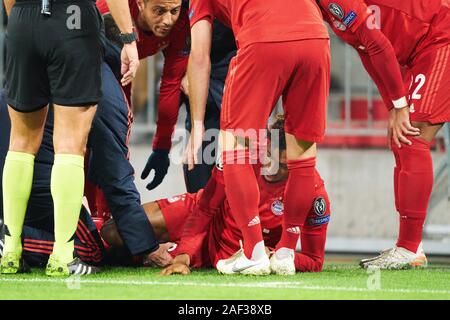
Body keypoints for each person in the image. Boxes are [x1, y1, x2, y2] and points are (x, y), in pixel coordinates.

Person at [184, 0, 330, 275]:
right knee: (302, 150)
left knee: (236, 143)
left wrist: (198, 123)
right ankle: (286, 252)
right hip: (316, 38)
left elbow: (200, 55)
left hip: (263, 38)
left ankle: (253, 251)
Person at [0, 0, 140, 276]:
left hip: (22, 20)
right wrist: (128, 38)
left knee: (20, 142)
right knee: (70, 144)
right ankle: (63, 255)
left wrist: (22, 20)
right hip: (73, 19)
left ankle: (10, 251)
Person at [101, 116, 332, 274]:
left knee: (114, 253)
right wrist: (183, 255)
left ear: (297, 162)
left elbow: (314, 260)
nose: (270, 167)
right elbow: (205, 209)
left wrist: (279, 256)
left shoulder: (313, 192)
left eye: (282, 165)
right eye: (267, 156)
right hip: (200, 212)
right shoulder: (242, 154)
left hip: (223, 251)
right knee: (113, 230)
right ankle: (144, 249)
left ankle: (139, 256)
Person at [317, 0, 450, 269]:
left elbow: (378, 43)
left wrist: (400, 105)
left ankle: (409, 247)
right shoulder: (322, 8)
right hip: (421, 48)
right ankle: (411, 245)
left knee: (412, 137)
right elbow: (367, 49)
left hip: (441, 34)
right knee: (402, 138)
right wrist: (393, 104)